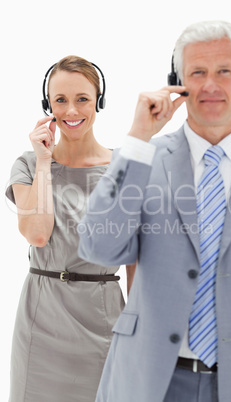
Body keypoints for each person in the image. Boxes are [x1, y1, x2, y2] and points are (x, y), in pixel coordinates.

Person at [78, 21, 231, 402]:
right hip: (149, 380)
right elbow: (98, 247)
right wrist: (137, 139)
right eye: (197, 72)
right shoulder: (143, 158)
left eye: (224, 71)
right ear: (177, 81)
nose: (210, 85)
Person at [5, 55, 136, 402]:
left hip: (103, 319)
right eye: (60, 100)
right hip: (41, 320)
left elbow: (138, 259)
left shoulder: (125, 167)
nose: (71, 110)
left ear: (99, 102)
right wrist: (45, 162)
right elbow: (36, 233)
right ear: (47, 104)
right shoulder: (29, 163)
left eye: (82, 99)